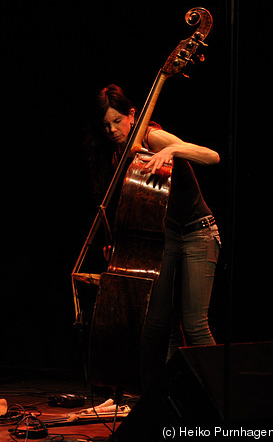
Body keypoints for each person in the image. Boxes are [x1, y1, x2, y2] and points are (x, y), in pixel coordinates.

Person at [86, 84, 221, 390]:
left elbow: (212, 157)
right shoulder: (117, 155)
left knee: (195, 324)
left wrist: (173, 149)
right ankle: (170, 396)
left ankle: (221, 396)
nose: (112, 130)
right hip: (164, 238)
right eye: (106, 125)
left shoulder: (151, 135)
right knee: (164, 327)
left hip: (198, 232)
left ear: (132, 114)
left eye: (117, 121)